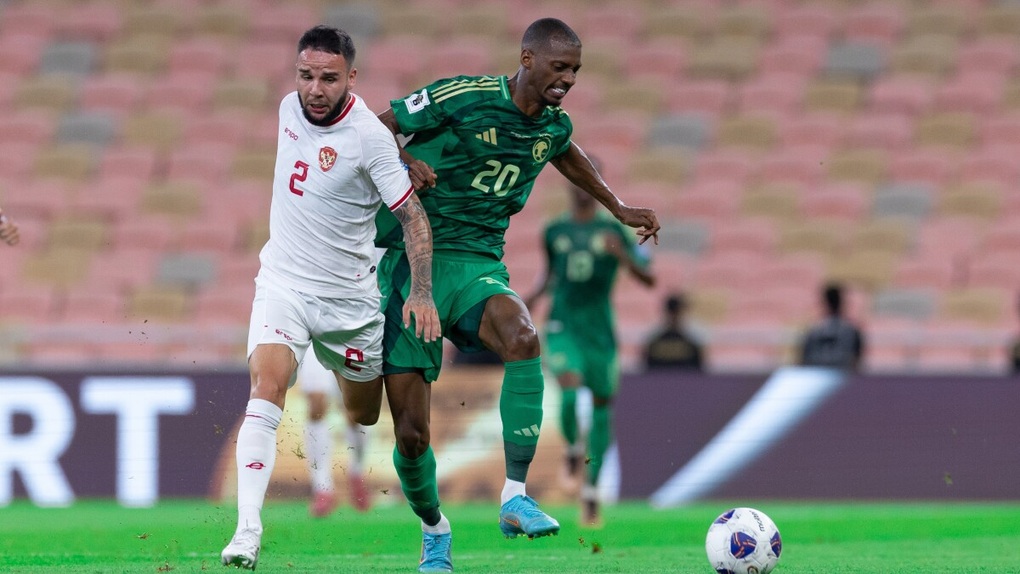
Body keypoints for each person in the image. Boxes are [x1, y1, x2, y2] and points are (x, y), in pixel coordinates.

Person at [374, 17, 660, 573]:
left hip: (479, 262)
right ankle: (435, 532)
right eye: (560, 67)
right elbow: (378, 128)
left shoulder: (552, 127)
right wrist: (405, 161)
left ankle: (514, 497)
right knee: (411, 436)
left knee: (523, 336)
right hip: (413, 258)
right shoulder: (464, 96)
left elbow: (566, 151)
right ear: (527, 59)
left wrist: (619, 208)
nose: (568, 79)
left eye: (575, 70)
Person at [220, 25, 440, 571]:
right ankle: (247, 532)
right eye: (306, 76)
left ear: (351, 78)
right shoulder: (286, 109)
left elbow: (413, 218)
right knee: (266, 389)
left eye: (328, 78)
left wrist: (422, 292)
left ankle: (356, 468)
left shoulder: (369, 139)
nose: (314, 90)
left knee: (362, 414)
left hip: (349, 304)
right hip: (285, 284)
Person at [523, 159, 656, 526]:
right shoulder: (554, 231)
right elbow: (550, 275)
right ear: (569, 183)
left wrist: (622, 255)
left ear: (598, 184)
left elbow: (649, 278)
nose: (582, 187)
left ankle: (592, 492)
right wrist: (532, 298)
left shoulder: (614, 230)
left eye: (590, 180)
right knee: (569, 388)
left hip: (599, 331)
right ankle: (572, 448)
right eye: (576, 179)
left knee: (601, 410)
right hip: (563, 324)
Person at [296, 353, 372, 517]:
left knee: (356, 411)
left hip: (348, 341)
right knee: (316, 404)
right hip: (314, 340)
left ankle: (357, 471)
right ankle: (322, 488)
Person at [797, 282, 864, 371]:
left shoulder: (814, 331)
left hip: (820, 374)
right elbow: (857, 361)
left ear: (824, 303)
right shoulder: (851, 331)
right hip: (841, 375)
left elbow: (804, 360)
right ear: (842, 302)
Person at [643, 293, 705, 371]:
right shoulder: (654, 344)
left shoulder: (692, 344)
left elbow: (698, 372)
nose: (676, 316)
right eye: (675, 312)